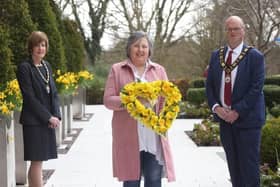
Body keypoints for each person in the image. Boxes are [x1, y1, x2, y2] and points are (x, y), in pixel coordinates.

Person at [103, 31, 175, 187]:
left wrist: (164, 118)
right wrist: (132, 100)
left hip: (153, 137)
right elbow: (108, 100)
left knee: (154, 180)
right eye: (136, 46)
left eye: (144, 46)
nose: (140, 50)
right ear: (129, 48)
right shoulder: (117, 69)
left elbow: (169, 99)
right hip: (128, 137)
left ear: (149, 50)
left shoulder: (159, 70)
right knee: (131, 182)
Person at [206, 16, 265, 187]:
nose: (232, 32)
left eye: (236, 29)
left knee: (249, 168)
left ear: (243, 31)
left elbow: (256, 88)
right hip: (225, 121)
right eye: (229, 29)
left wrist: (236, 111)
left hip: (248, 121)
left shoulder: (255, 57)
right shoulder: (216, 55)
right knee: (233, 167)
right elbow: (209, 86)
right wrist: (217, 108)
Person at [16, 31, 61, 187]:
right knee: (36, 161)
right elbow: (29, 98)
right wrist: (48, 117)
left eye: (43, 45)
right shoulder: (24, 68)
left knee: (39, 162)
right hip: (34, 122)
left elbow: (54, 93)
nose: (40, 48)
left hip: (47, 120)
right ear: (31, 48)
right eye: (37, 45)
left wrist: (56, 116)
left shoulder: (46, 66)